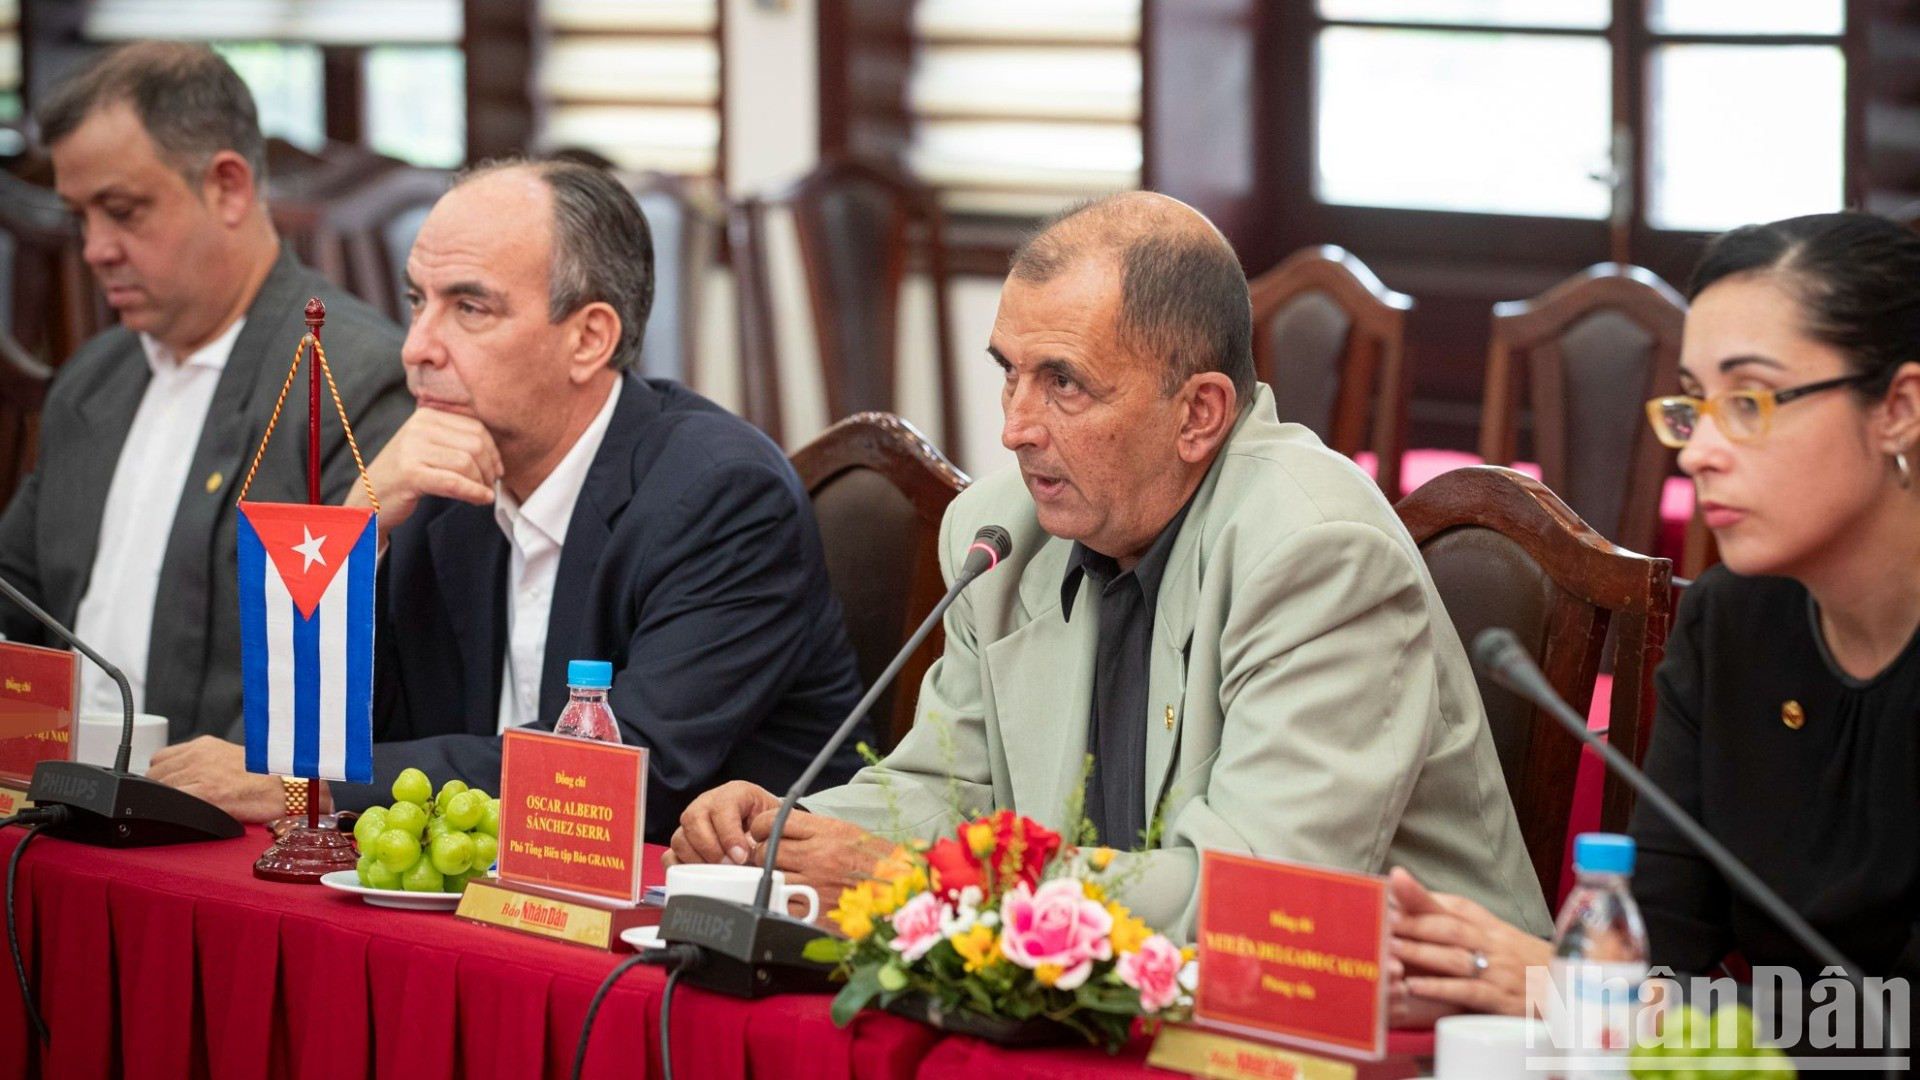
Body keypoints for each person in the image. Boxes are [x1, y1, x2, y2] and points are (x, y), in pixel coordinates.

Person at [669, 192, 1551, 940]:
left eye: (1064, 384)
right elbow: (949, 789)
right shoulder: (1001, 536)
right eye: (1008, 374)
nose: (1015, 426)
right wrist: (788, 831)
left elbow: (1256, 901)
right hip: (1106, 993)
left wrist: (920, 877)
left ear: (1199, 413)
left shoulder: (1316, 553)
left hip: (1415, 1030)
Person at [153, 159, 869, 838]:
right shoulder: (440, 483)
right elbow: (336, 727)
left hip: (710, 916)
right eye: (416, 301)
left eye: (469, 307)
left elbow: (618, 780)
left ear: (589, 338)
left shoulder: (721, 496)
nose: (416, 347)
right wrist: (357, 524)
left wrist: (309, 788)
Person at [1386, 212, 1920, 1044]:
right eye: (1693, 404)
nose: (1697, 450)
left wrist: (1561, 986)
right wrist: (1494, 975)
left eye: (1747, 402)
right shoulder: (1731, 625)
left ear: (1899, 407)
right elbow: (1656, 952)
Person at [0, 43, 408, 744]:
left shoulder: (349, 378)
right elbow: (18, 600)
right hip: (55, 794)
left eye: (122, 210)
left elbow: (366, 676)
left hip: (226, 823)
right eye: (80, 217)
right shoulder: (92, 379)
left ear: (227, 186)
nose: (95, 247)